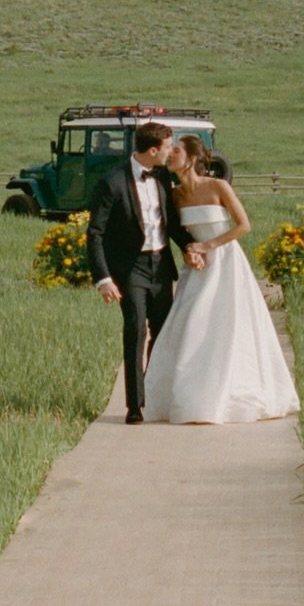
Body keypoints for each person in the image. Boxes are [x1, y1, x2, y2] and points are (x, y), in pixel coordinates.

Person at [142, 133, 299, 424]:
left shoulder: (218, 186)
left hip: (226, 261)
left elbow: (244, 226)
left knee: (228, 325)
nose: (170, 154)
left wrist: (209, 246)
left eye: (176, 150)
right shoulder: (175, 195)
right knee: (192, 324)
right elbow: (181, 234)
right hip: (198, 267)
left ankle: (229, 394)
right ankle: (191, 398)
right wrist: (192, 250)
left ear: (190, 159)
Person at [86, 121, 204, 425]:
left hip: (161, 266)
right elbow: (95, 233)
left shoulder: (163, 176)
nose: (170, 152)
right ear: (153, 150)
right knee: (136, 329)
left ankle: (155, 395)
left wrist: (190, 247)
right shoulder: (111, 182)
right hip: (131, 268)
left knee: (163, 333)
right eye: (168, 147)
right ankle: (135, 406)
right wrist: (103, 278)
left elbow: (173, 224)